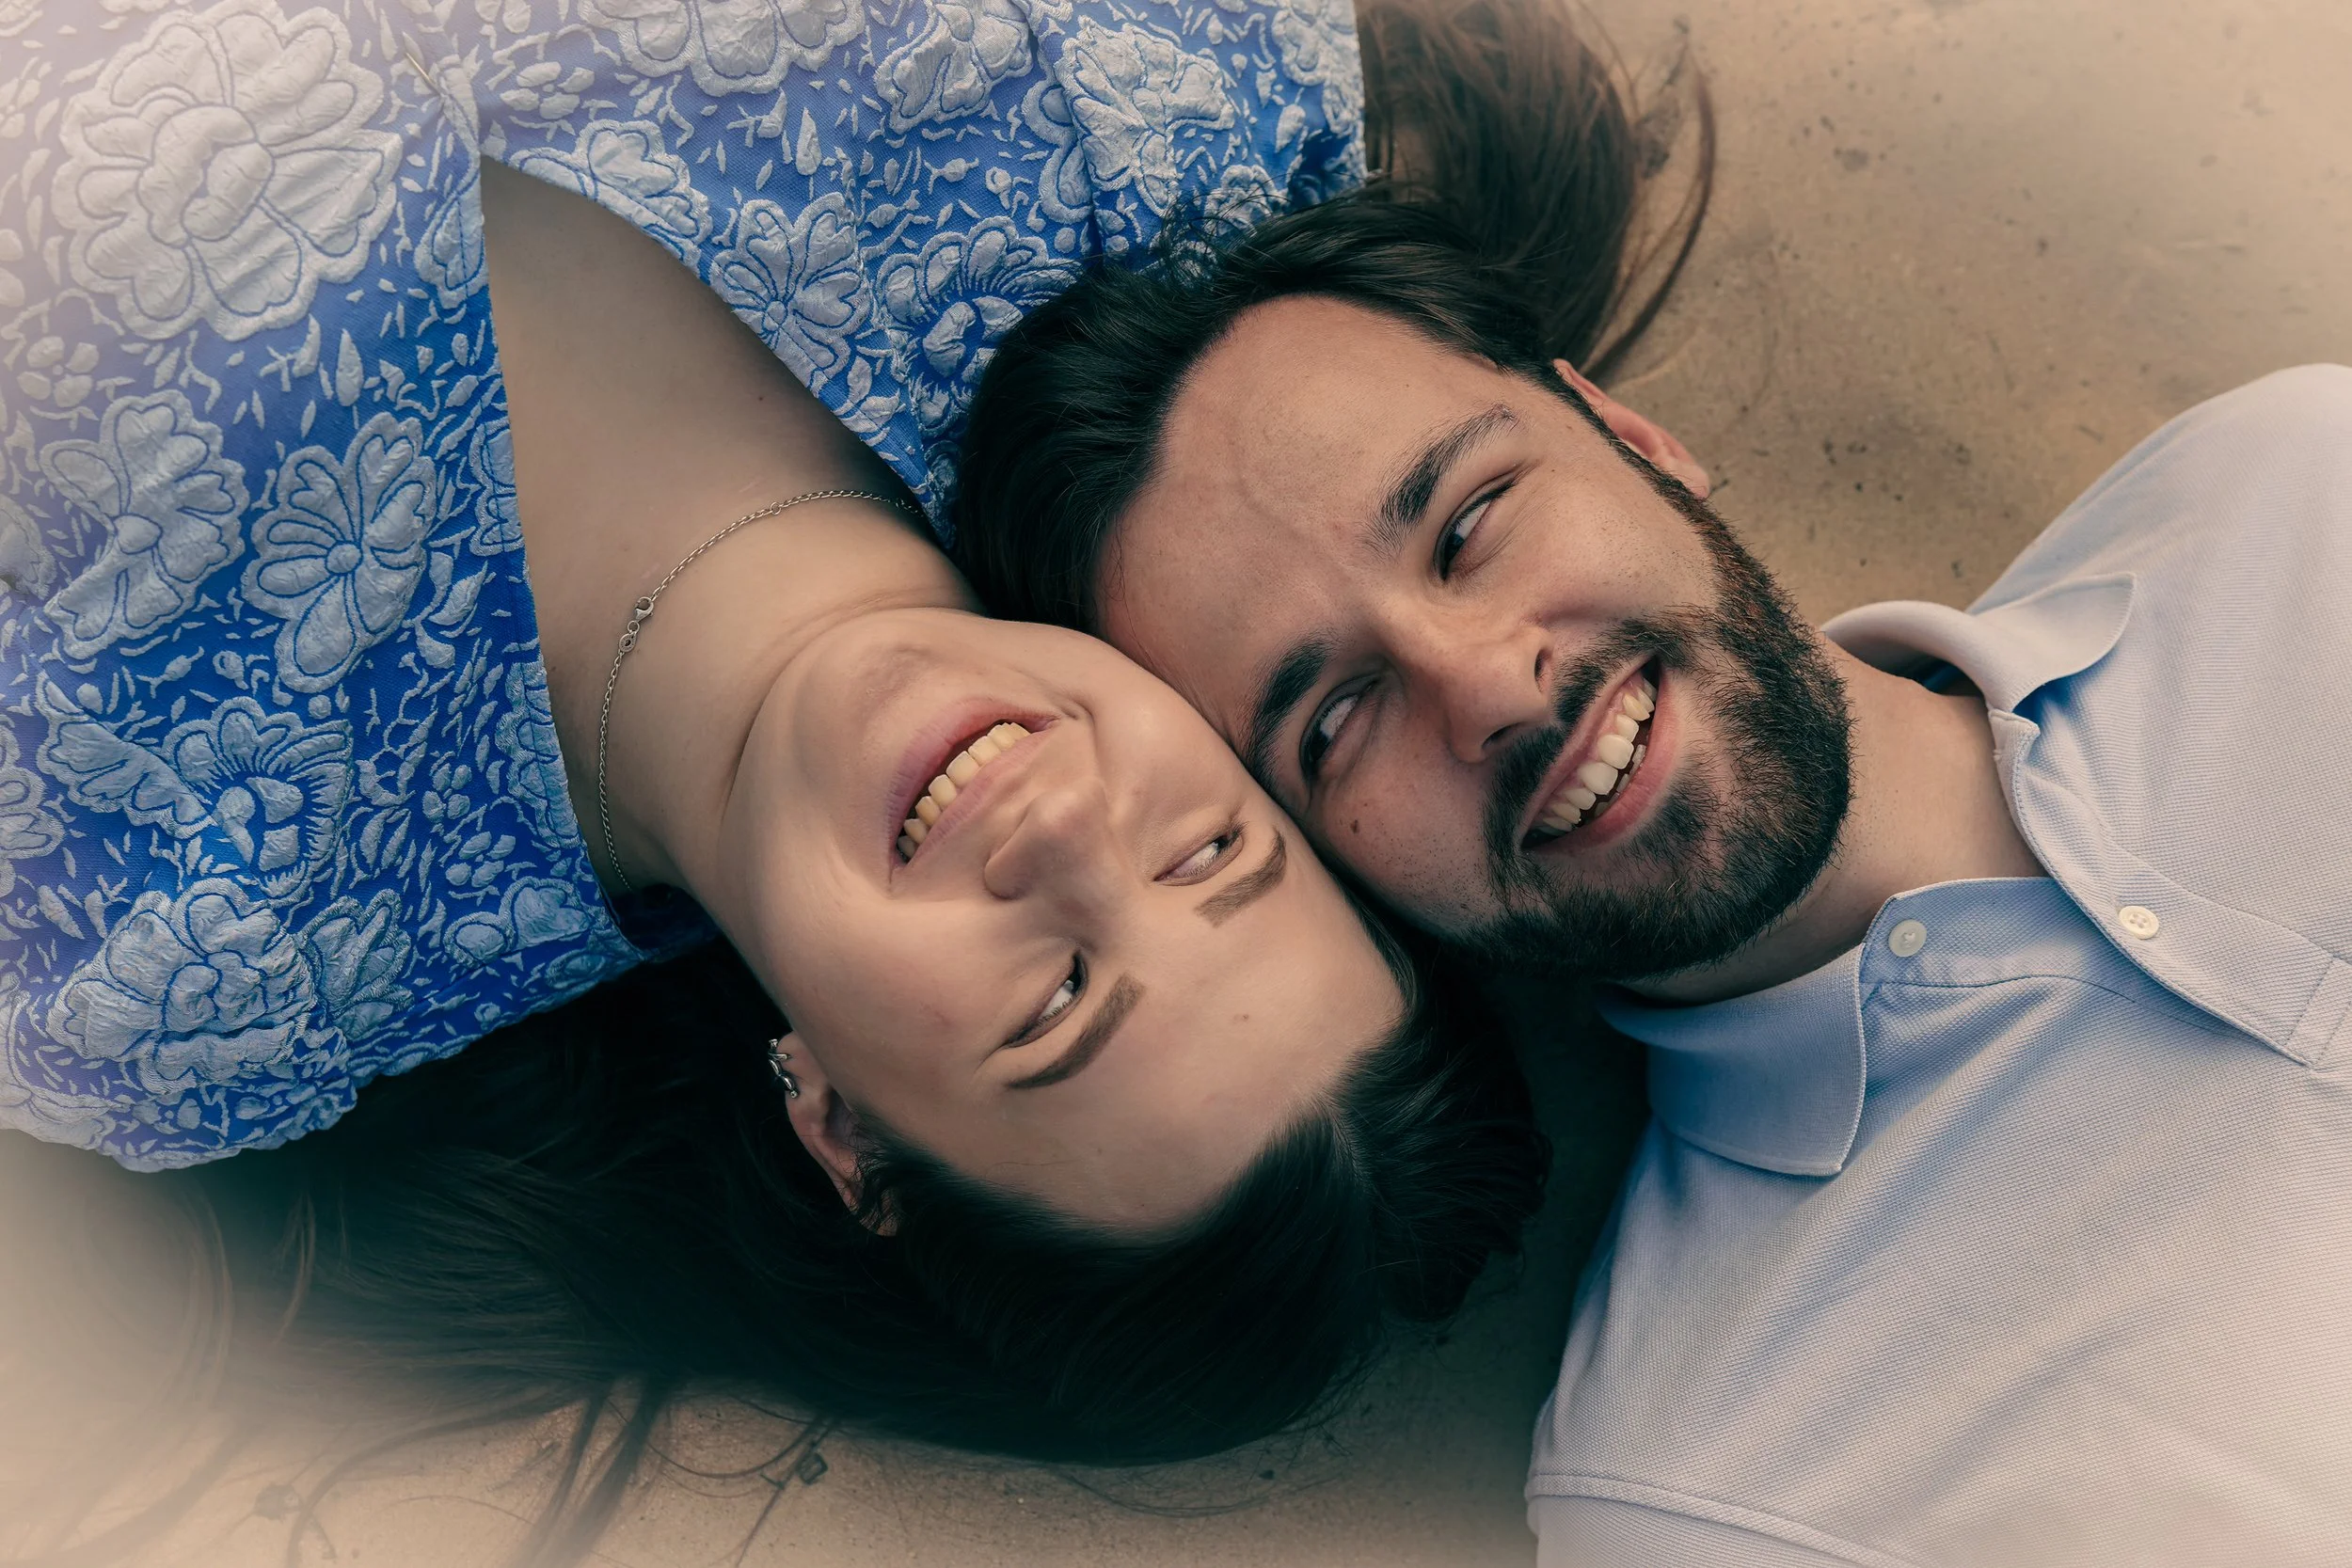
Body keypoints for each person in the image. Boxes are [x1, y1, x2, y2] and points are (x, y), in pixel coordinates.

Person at [0, 0, 1557, 1549]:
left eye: (1056, 1007)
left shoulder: (187, 953)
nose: (1067, 828)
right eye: (1211, 853)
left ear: (845, 1133)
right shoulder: (1137, 151)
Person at [949, 192, 2352, 1559]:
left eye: (1468, 522)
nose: (1490, 685)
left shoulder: (2299, 479)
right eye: (1334, 720)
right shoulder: (1713, 1486)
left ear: (1631, 436)